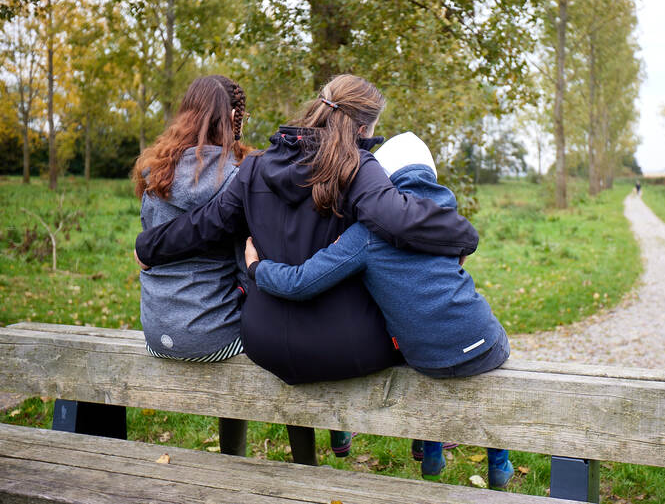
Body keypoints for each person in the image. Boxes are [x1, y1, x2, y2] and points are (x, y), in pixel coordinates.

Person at [134, 75, 478, 462]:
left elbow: (206, 224)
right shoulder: (358, 166)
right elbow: (397, 216)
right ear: (362, 128)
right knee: (402, 323)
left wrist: (149, 246)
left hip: (262, 341)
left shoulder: (254, 168)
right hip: (342, 346)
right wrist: (465, 236)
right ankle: (427, 442)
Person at [244, 132, 514, 489]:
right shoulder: (446, 220)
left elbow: (300, 282)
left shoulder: (366, 234)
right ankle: (500, 462)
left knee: (415, 336)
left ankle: (431, 451)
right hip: (483, 345)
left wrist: (256, 268)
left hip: (424, 358)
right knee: (476, 336)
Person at [133, 74, 252, 362]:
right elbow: (245, 265)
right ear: (234, 117)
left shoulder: (157, 173)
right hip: (212, 337)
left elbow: (151, 241)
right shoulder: (237, 179)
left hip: (156, 334)